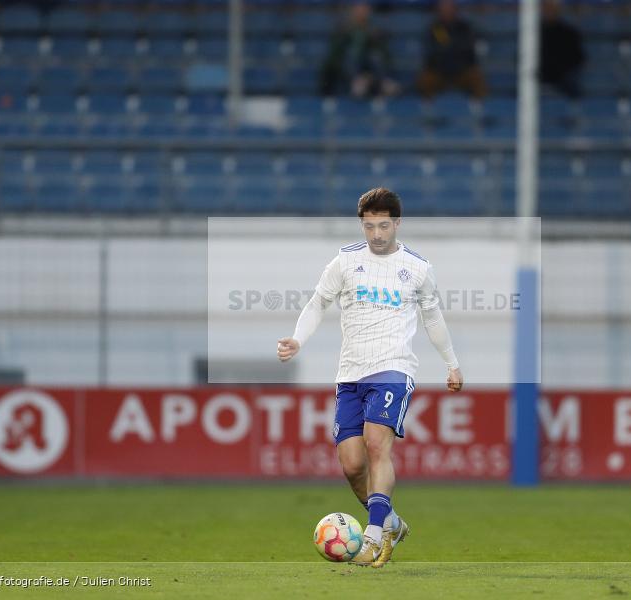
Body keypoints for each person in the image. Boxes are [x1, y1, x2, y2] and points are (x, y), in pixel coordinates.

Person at [277, 188, 464, 568]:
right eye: (369, 226)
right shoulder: (345, 262)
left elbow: (432, 318)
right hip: (350, 373)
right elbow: (317, 304)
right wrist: (298, 338)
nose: (376, 234)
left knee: (378, 445)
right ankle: (391, 521)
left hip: (394, 369)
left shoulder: (417, 268)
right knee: (351, 465)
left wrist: (452, 363)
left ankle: (373, 537)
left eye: (383, 225)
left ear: (397, 223)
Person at [319, 3, 399, 98]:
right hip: (348, 68)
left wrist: (375, 38)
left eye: (364, 10)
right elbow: (335, 56)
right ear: (352, 12)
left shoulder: (375, 31)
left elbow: (385, 56)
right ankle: (358, 81)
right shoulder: (343, 30)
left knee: (375, 56)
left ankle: (379, 81)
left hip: (370, 68)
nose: (362, 13)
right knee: (351, 55)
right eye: (358, 10)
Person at [418, 0, 487, 98]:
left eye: (449, 9)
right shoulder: (435, 28)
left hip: (463, 69)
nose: (446, 11)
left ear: (455, 10)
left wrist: (451, 48)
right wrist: (450, 48)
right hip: (439, 70)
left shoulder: (465, 27)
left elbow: (468, 47)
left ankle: (478, 108)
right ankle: (427, 109)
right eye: (443, 9)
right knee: (425, 80)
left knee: (477, 78)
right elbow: (434, 49)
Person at [540, 0, 586, 98]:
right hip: (539, 79)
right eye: (546, 6)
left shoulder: (569, 33)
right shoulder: (531, 34)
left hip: (562, 80)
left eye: (552, 7)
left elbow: (578, 58)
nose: (548, 10)